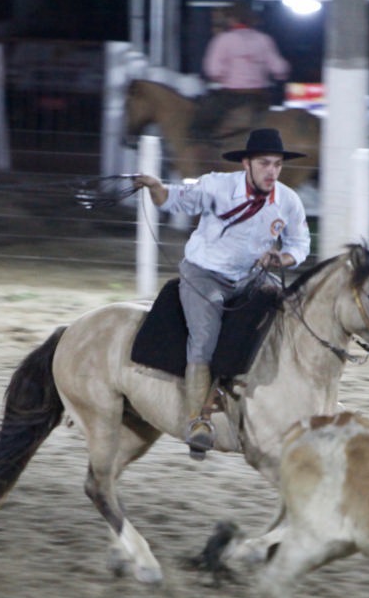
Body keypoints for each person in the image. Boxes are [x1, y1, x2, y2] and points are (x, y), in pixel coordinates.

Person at [132, 128, 310, 459]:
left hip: (251, 277)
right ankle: (198, 421)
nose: (272, 171)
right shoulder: (217, 186)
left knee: (288, 315)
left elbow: (300, 245)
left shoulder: (288, 201)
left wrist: (281, 257)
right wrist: (157, 188)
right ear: (246, 163)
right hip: (204, 275)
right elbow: (175, 199)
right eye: (264, 163)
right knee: (204, 338)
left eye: (277, 164)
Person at [189, 2, 289, 140]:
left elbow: (213, 71)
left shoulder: (224, 39)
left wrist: (221, 76)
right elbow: (280, 69)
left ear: (231, 19)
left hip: (232, 96)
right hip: (261, 97)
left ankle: (204, 151)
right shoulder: (264, 39)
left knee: (200, 126)